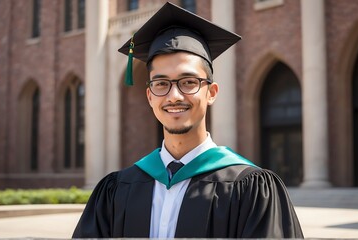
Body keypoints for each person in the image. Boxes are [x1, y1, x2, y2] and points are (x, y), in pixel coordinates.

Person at [73, 2, 304, 238]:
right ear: (150, 96)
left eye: (188, 82)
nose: (174, 96)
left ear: (211, 93)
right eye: (161, 84)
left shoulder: (251, 189)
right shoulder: (116, 190)